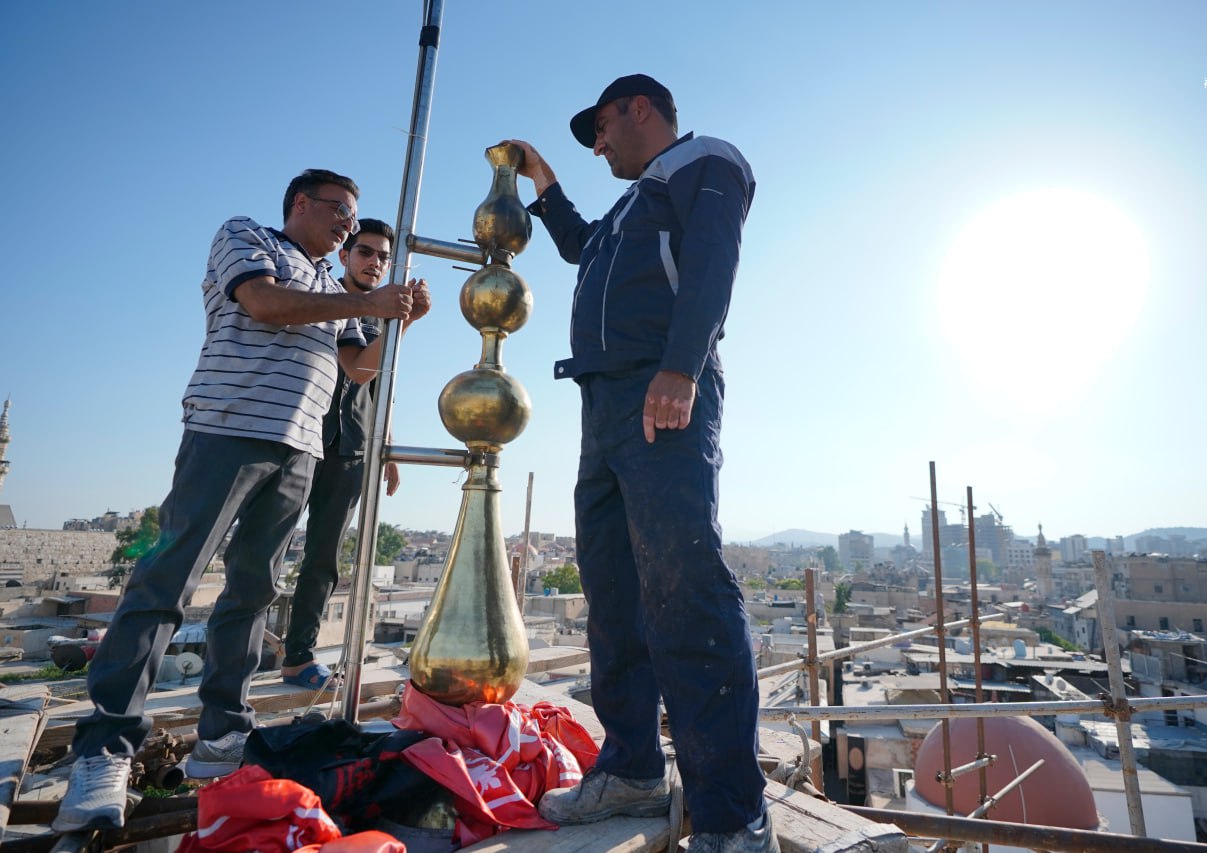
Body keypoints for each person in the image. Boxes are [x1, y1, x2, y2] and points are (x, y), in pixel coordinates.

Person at [53, 169, 429, 834]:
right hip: (229, 430)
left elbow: (357, 368)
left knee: (254, 589)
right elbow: (263, 303)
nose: (347, 224)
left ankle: (223, 733)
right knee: (168, 579)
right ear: (300, 203)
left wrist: (400, 324)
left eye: (353, 215)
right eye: (339, 211)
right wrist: (367, 302)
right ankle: (105, 748)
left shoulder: (336, 290)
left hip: (300, 447)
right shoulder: (247, 237)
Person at [508, 75, 776, 853]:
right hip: (604, 407)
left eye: (600, 130)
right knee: (614, 591)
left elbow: (712, 263)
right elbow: (578, 243)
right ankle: (630, 768)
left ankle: (732, 815)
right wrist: (542, 183)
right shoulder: (627, 211)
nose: (598, 147)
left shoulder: (704, 161)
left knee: (683, 589)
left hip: (662, 391)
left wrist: (681, 365)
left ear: (639, 109)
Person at [280, 218, 431, 690]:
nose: (375, 263)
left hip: (352, 448)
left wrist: (388, 449)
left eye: (383, 257)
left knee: (323, 557)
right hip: (298, 437)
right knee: (266, 549)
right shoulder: (321, 298)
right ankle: (237, 660)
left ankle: (298, 657)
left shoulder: (385, 317)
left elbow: (379, 387)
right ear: (344, 254)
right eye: (365, 252)